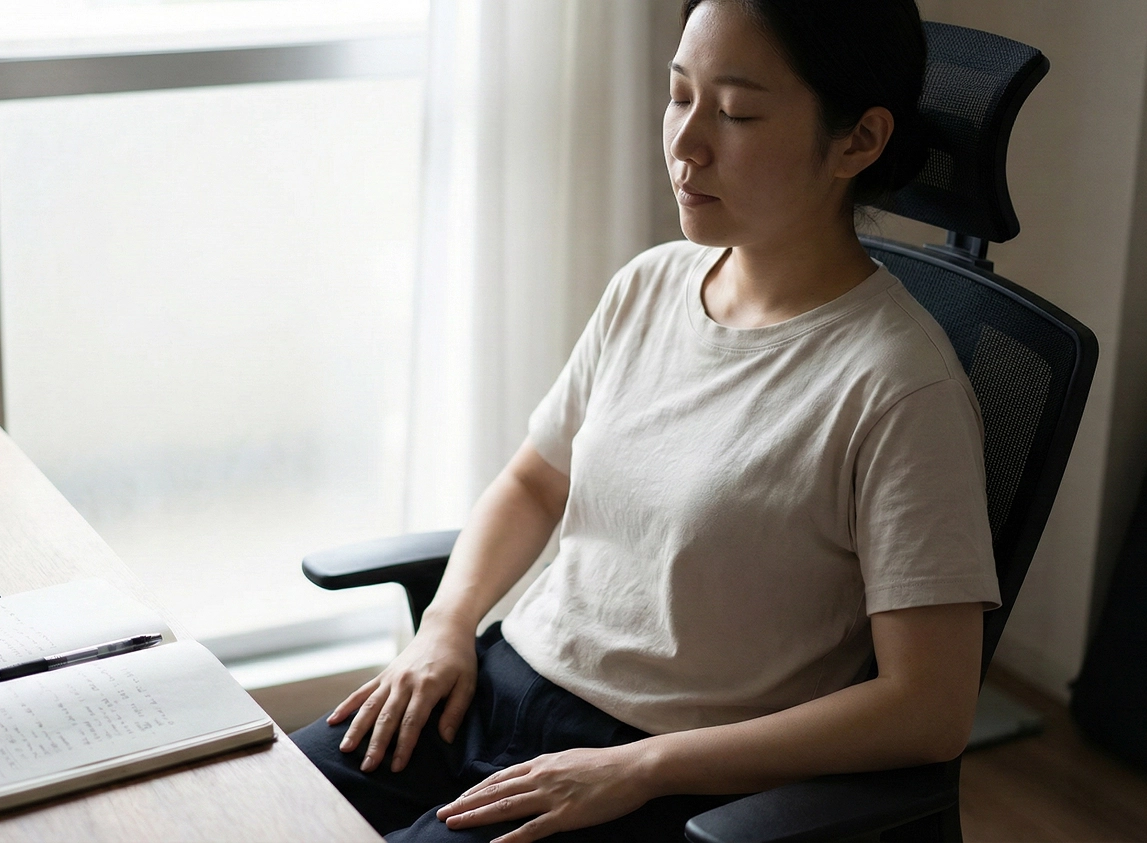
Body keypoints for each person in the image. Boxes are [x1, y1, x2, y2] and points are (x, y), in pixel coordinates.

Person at [293, 1, 1001, 840]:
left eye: (736, 113)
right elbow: (533, 479)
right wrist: (443, 631)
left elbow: (927, 708)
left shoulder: (895, 387)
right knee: (243, 798)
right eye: (678, 95)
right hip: (496, 684)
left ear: (857, 141)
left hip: (651, 771)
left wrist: (643, 767)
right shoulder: (653, 284)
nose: (686, 143)